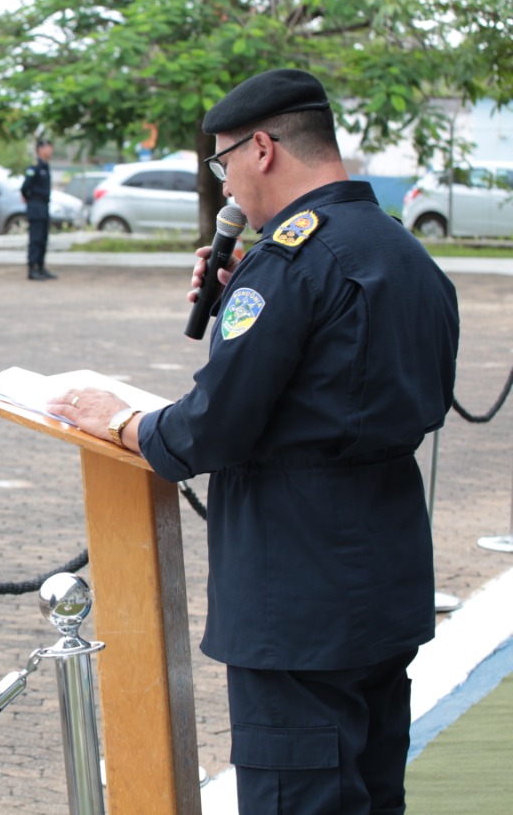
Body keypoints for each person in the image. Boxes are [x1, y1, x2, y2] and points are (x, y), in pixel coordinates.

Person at [47, 68, 460, 815]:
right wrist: (249, 288)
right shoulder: (403, 253)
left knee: (297, 797)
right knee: (371, 793)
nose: (227, 182)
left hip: (297, 588)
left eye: (224, 160)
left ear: (263, 147)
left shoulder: (290, 265)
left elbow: (212, 427)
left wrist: (121, 419)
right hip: (385, 574)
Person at [21, 138, 57, 280]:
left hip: (44, 205)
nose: (50, 150)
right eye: (48, 147)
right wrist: (29, 198)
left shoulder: (45, 166)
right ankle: (32, 268)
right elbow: (25, 188)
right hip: (35, 206)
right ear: (40, 150)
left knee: (43, 239)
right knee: (35, 239)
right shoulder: (34, 167)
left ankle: (41, 267)